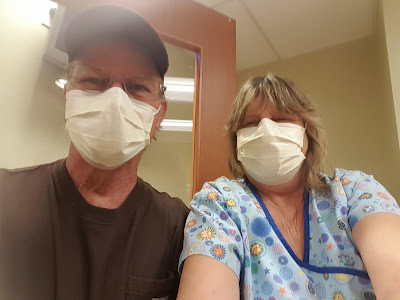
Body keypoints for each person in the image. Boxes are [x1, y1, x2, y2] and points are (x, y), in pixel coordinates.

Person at [0, 5, 189, 300]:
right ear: (68, 96)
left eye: (137, 87)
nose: (114, 99)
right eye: (93, 81)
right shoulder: (5, 197)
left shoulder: (179, 227)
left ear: (158, 114)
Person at [177, 74, 400, 299]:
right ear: (236, 142)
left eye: (282, 118)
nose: (266, 129)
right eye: (251, 123)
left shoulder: (355, 191)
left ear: (307, 131)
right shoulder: (219, 204)